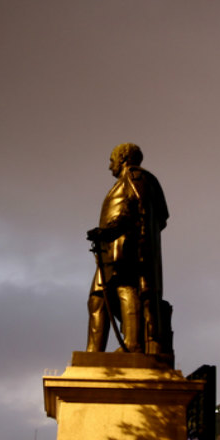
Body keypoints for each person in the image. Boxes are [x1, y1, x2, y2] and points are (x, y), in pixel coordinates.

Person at [86, 143, 170, 354]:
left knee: (125, 289)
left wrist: (109, 232)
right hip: (109, 250)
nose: (110, 166)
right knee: (97, 298)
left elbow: (136, 212)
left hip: (125, 249)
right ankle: (93, 352)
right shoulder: (127, 180)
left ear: (123, 158)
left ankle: (132, 343)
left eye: (111, 160)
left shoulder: (136, 178)